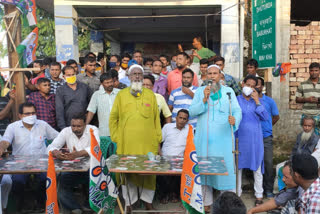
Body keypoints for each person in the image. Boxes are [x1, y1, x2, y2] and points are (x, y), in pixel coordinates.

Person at [189, 64, 242, 213]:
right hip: (205, 142)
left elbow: (237, 110)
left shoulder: (228, 92)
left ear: (220, 76)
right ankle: (206, 206)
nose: (212, 76)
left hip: (224, 143)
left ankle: (228, 207)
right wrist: (204, 100)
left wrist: (235, 120)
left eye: (215, 73)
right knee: (206, 176)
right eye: (209, 73)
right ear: (205, 76)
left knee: (225, 176)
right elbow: (192, 111)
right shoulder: (200, 92)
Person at [109, 64, 162, 211]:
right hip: (127, 142)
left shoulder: (150, 95)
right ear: (129, 77)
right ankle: (130, 203)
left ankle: (148, 202)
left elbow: (156, 119)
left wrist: (158, 139)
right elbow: (113, 118)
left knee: (149, 171)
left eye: (140, 74)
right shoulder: (121, 95)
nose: (137, 76)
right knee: (128, 170)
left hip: (148, 143)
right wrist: (116, 137)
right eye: (134, 74)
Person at [0, 102, 58, 211]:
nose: (31, 116)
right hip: (20, 164)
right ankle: (23, 205)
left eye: (33, 113)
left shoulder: (42, 125)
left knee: (46, 179)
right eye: (27, 114)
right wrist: (1, 147)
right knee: (18, 181)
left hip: (41, 162)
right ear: (20, 115)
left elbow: (58, 138)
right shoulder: (13, 127)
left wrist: (57, 148)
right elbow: (5, 141)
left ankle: (41, 203)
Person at [47, 113, 99, 213]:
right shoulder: (66, 131)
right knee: (61, 181)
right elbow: (51, 146)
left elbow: (96, 148)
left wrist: (78, 154)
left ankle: (88, 205)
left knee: (95, 179)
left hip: (91, 168)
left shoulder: (93, 129)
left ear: (85, 125)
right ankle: (74, 207)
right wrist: (56, 153)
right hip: (73, 169)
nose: (75, 129)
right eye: (73, 126)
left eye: (79, 126)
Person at [236, 75, 269, 206]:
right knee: (238, 167)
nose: (249, 88)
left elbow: (265, 117)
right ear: (242, 84)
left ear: (256, 88)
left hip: (255, 139)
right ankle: (237, 194)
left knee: (257, 166)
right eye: (247, 84)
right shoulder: (236, 99)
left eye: (252, 86)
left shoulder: (258, 101)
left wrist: (257, 101)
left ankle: (259, 195)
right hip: (239, 138)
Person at [256, 77, 280, 197]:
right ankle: (257, 190)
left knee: (268, 163)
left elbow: (276, 116)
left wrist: (268, 126)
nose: (256, 87)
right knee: (254, 164)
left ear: (262, 87)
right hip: (253, 137)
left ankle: (268, 189)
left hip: (266, 137)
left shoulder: (269, 101)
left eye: (258, 85)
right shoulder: (249, 101)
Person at [158, 109, 189, 204]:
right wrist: (160, 155)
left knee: (180, 172)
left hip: (180, 160)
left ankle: (174, 194)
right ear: (176, 118)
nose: (182, 120)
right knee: (162, 173)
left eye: (184, 119)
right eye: (180, 117)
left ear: (187, 121)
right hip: (165, 158)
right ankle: (165, 194)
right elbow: (158, 142)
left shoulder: (189, 130)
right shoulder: (167, 127)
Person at [56, 66, 91, 131]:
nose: (71, 76)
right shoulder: (60, 90)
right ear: (64, 77)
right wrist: (63, 128)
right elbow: (59, 110)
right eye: (68, 75)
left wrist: (88, 122)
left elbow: (91, 105)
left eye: (73, 74)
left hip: (84, 124)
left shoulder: (84, 87)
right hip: (68, 124)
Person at [296, 62, 320, 135]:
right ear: (309, 71)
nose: (314, 72)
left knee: (318, 137)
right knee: (307, 137)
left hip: (318, 114)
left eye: (316, 70)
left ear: (319, 71)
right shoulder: (302, 84)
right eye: (312, 70)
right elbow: (297, 99)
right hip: (306, 115)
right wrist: (307, 99)